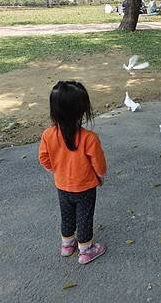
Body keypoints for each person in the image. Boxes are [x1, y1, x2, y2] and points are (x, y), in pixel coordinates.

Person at [38, 81, 107, 265]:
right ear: (82, 111)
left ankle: (67, 245)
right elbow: (99, 164)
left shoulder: (48, 135)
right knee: (84, 217)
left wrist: (57, 170)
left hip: (62, 185)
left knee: (67, 214)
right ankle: (86, 250)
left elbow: (43, 158)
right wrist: (100, 177)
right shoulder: (89, 138)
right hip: (85, 186)